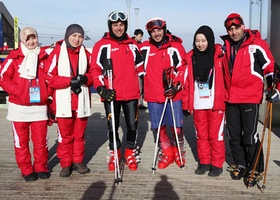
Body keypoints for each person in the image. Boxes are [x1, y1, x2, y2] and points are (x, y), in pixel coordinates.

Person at [221, 13, 278, 186]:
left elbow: (271, 68)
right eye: (230, 29)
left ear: (243, 26)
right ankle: (240, 163)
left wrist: (274, 89)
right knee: (234, 134)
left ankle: (255, 168)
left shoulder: (256, 45)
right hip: (230, 98)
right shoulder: (225, 47)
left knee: (250, 136)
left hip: (249, 97)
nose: (233, 32)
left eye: (236, 28)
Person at [91, 11, 144, 171]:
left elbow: (140, 68)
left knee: (132, 126)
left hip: (131, 95)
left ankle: (129, 152)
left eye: (121, 25)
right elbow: (95, 70)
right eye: (115, 25)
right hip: (111, 94)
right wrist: (101, 89)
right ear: (110, 26)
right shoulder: (102, 45)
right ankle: (115, 152)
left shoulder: (132, 44)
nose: (119, 28)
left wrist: (144, 90)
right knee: (112, 126)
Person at [0, 27, 50, 181]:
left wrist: (46, 93)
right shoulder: (14, 57)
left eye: (33, 37)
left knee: (40, 141)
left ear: (37, 38)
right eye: (27, 38)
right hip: (18, 108)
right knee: (21, 141)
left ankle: (41, 166)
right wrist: (19, 91)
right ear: (22, 40)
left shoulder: (44, 56)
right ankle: (26, 169)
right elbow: (3, 78)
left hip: (39, 107)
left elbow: (50, 76)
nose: (31, 41)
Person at [45, 24, 92, 177]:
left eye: (80, 36)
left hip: (81, 101)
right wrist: (69, 81)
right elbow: (49, 77)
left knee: (79, 135)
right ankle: (66, 164)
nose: (77, 39)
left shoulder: (86, 53)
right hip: (64, 100)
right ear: (67, 36)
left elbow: (94, 74)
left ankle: (77, 161)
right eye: (74, 36)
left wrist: (87, 78)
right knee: (65, 136)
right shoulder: (57, 53)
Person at [140, 17, 186, 169]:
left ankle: (179, 150)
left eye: (159, 30)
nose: (157, 34)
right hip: (154, 95)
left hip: (173, 94)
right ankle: (166, 152)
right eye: (153, 31)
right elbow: (136, 68)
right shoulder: (144, 48)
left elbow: (183, 68)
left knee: (176, 127)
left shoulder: (176, 47)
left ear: (164, 30)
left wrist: (176, 86)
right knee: (159, 127)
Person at [182, 25, 226, 177]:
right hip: (198, 103)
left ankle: (217, 163)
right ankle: (204, 161)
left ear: (210, 40)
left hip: (216, 104)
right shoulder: (190, 58)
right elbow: (186, 83)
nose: (200, 44)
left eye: (203, 40)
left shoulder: (219, 55)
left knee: (216, 136)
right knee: (201, 135)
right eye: (197, 41)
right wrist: (185, 104)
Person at [133, 29, 147, 110]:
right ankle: (137, 103)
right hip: (134, 70)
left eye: (142, 36)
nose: (141, 38)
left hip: (141, 69)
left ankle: (140, 103)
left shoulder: (141, 45)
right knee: (137, 87)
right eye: (140, 36)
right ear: (135, 35)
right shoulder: (132, 44)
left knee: (141, 87)